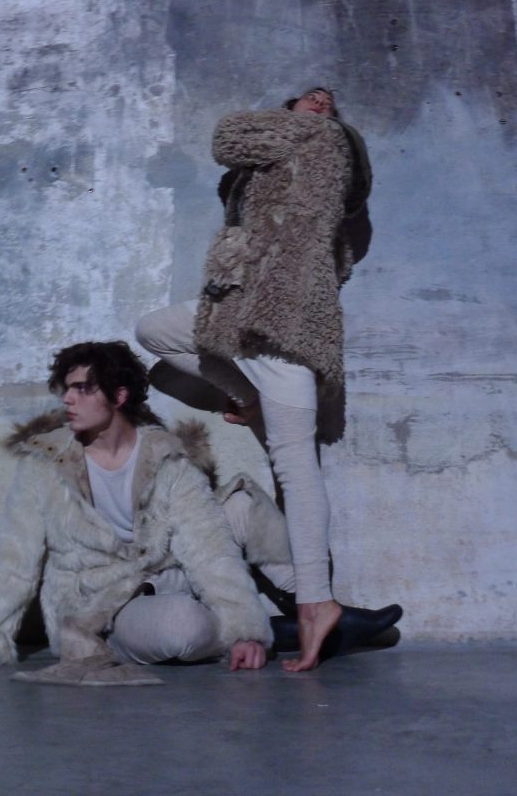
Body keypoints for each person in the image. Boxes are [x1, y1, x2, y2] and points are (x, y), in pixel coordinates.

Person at [136, 87, 392, 672]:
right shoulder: (292, 163)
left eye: (331, 101)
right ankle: (247, 395)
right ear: (288, 107)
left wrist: (292, 122)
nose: (323, 104)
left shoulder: (319, 139)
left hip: (285, 323)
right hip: (242, 311)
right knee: (155, 332)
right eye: (311, 98)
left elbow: (227, 137)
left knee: (296, 470)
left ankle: (316, 603)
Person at [0, 341, 276, 675]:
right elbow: (14, 561)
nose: (69, 399)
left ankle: (283, 621)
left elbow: (209, 548)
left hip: (164, 581)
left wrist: (246, 632)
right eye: (67, 388)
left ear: (119, 396)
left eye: (83, 389)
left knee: (243, 505)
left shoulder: (166, 458)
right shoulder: (45, 463)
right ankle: (121, 642)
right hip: (98, 607)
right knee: (181, 625)